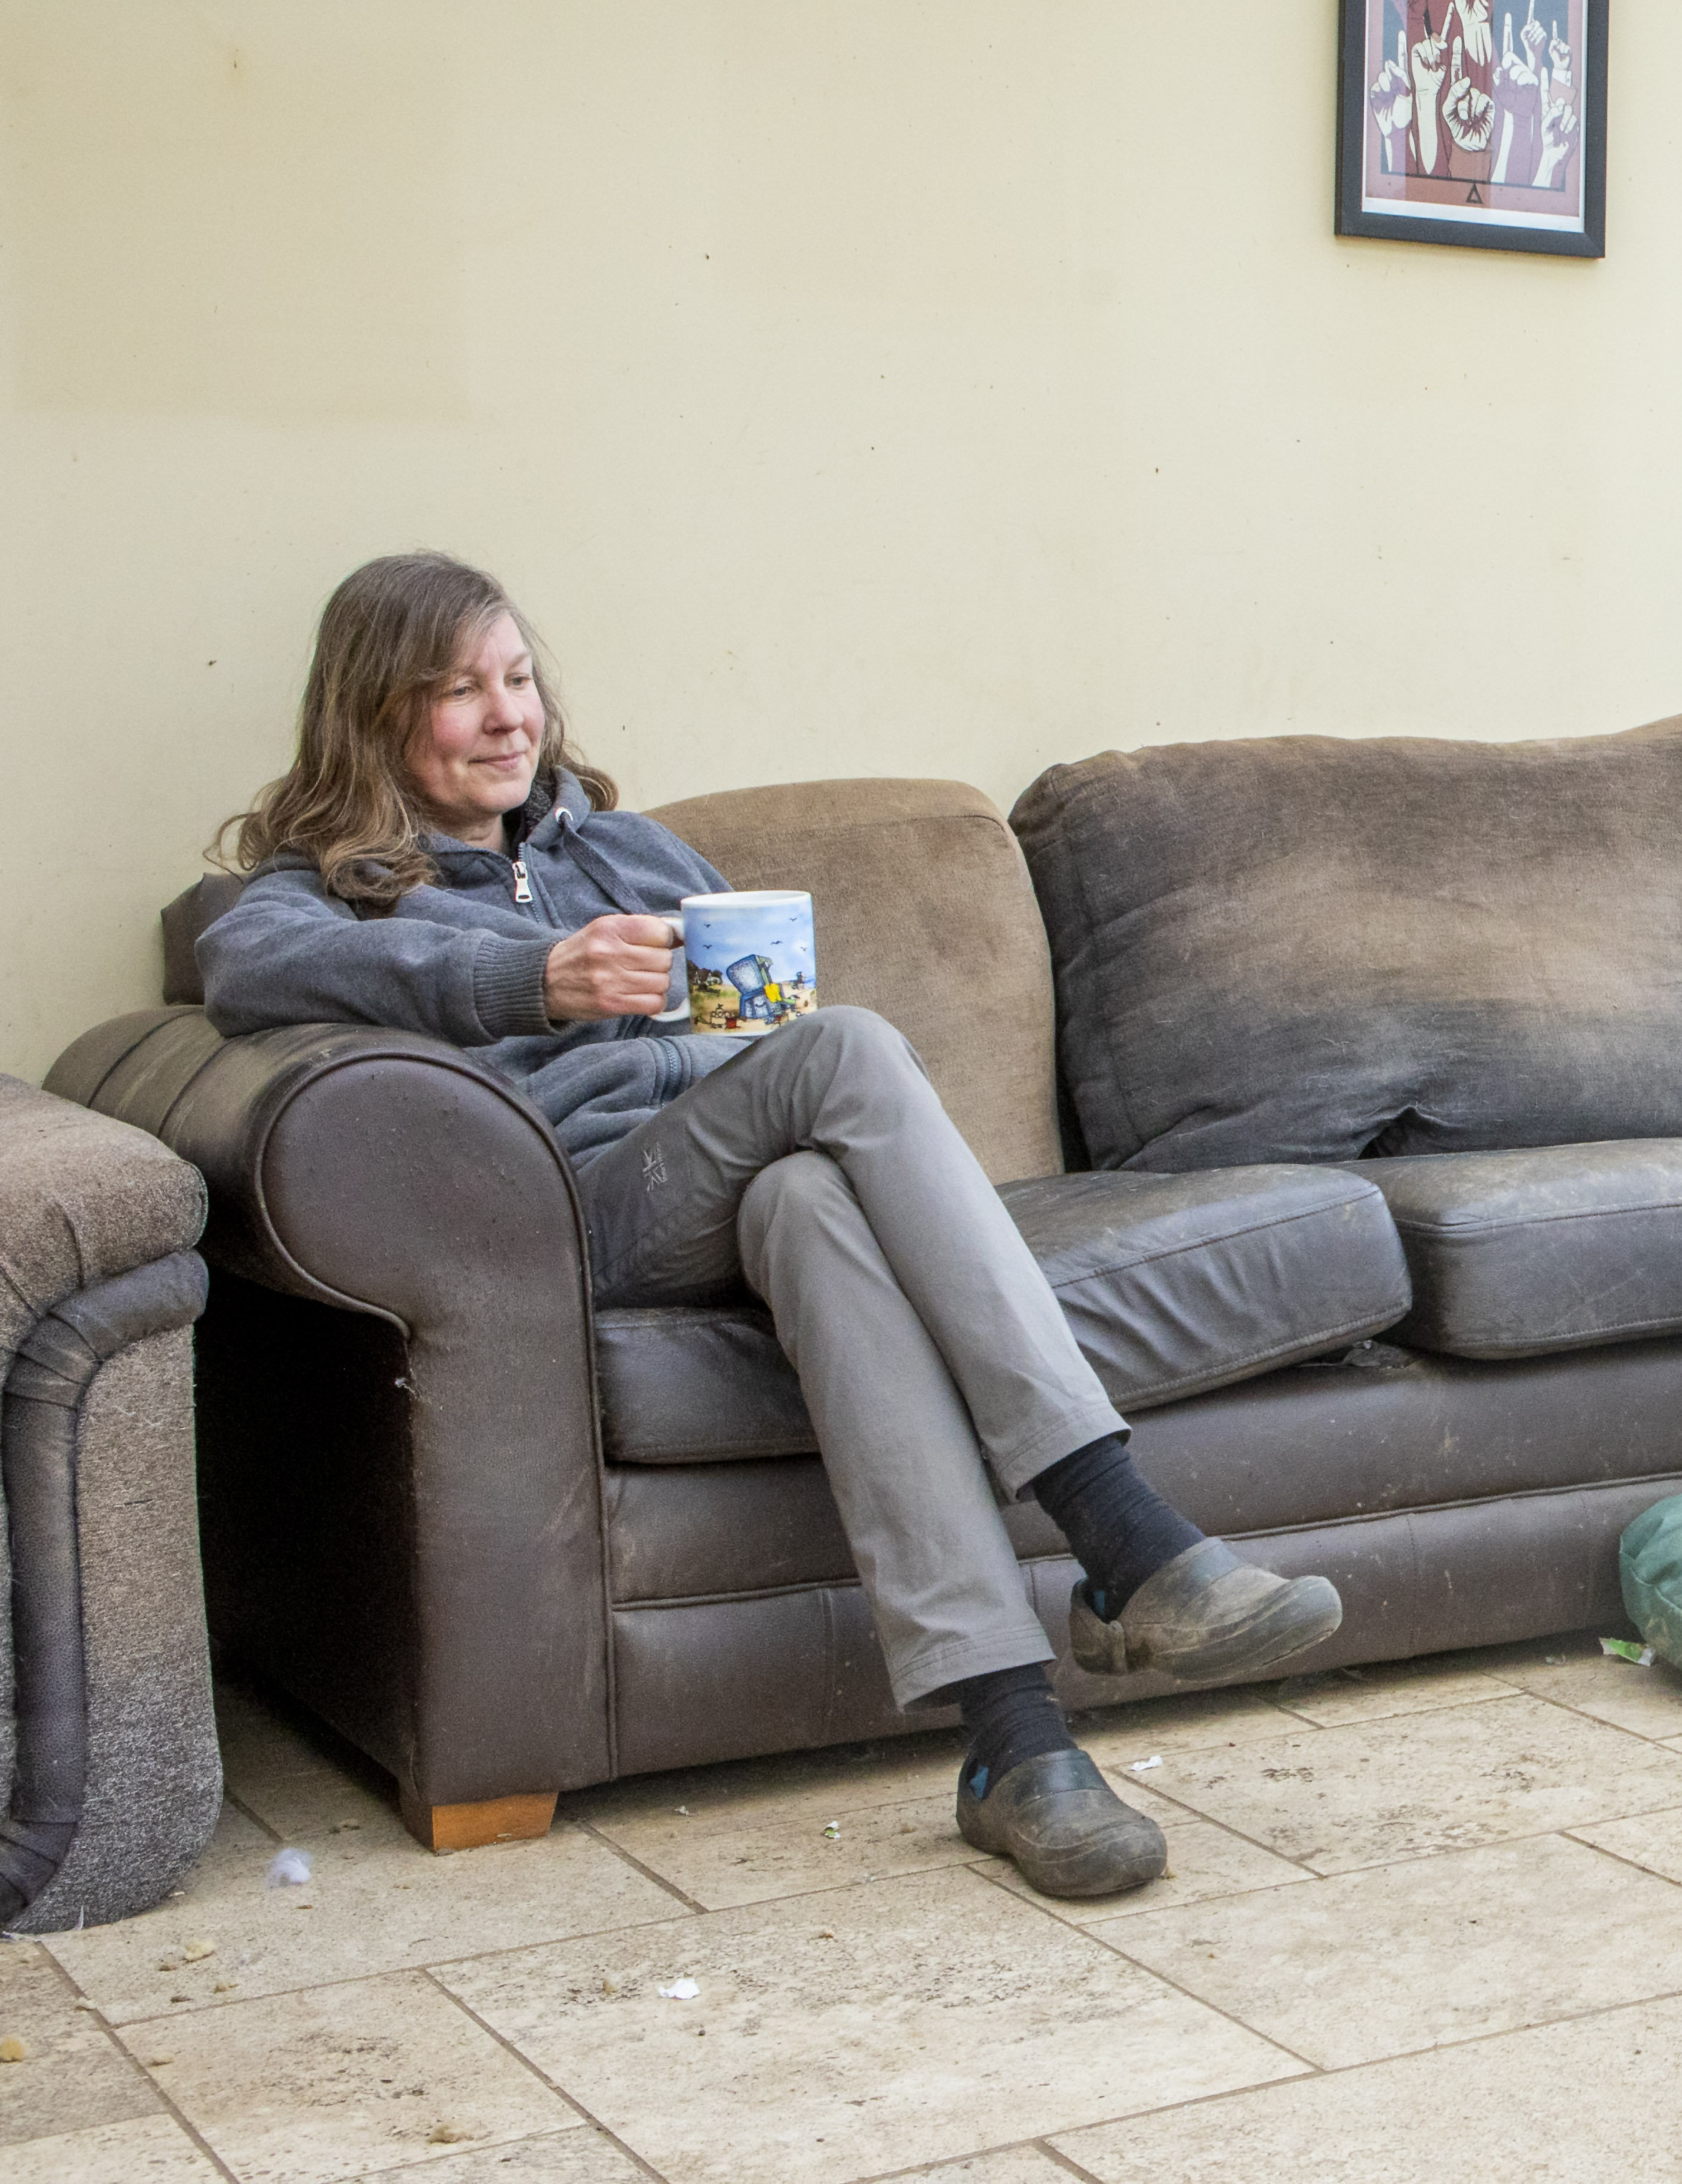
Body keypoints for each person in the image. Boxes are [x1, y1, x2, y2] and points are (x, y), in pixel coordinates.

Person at [195, 551, 1342, 1898]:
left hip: (739, 1186)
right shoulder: (328, 889)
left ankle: (1015, 1744)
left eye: (518, 681)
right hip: (587, 1213)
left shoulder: (622, 848)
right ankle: (1124, 1531)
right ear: (374, 715)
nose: (509, 717)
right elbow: (242, 965)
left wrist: (723, 1043)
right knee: (849, 1050)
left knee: (811, 1204)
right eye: (459, 692)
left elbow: (764, 1025)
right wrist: (534, 976)